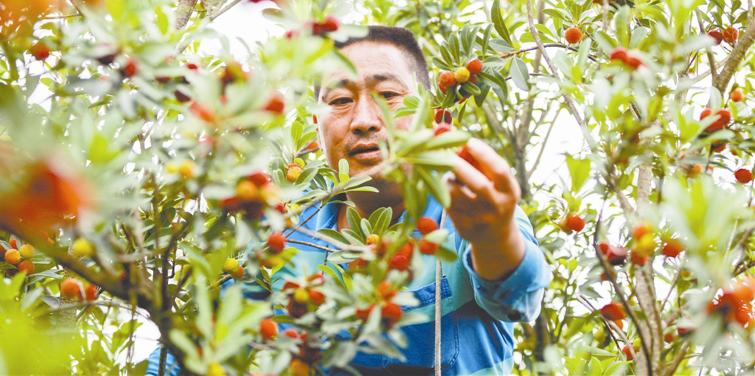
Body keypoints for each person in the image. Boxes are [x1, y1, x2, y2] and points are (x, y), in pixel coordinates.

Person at [147, 25, 551, 375]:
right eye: (340, 101)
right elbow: (203, 343)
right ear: (316, 129)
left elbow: (519, 295)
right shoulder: (285, 228)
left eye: (389, 95)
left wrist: (492, 236)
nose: (363, 120)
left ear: (432, 116)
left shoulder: (469, 207)